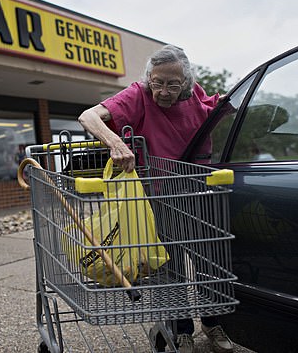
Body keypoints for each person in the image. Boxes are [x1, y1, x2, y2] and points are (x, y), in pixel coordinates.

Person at [78, 45, 233, 353]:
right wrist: (115, 143)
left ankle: (213, 324)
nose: (163, 91)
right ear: (149, 77)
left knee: (209, 263)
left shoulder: (195, 94)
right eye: (157, 82)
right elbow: (88, 116)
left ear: (186, 82)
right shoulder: (138, 94)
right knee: (170, 270)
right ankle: (181, 331)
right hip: (158, 199)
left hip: (196, 193)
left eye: (173, 84)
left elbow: (218, 108)